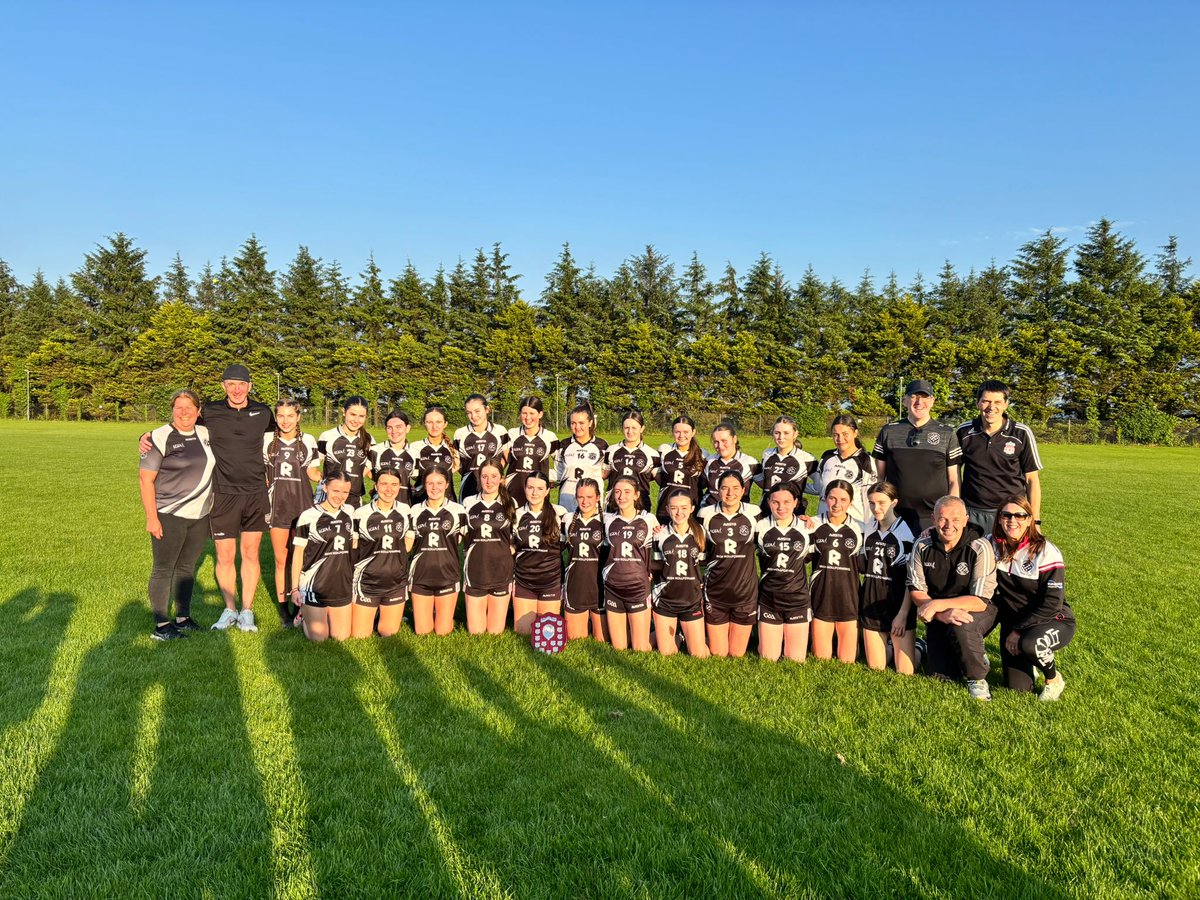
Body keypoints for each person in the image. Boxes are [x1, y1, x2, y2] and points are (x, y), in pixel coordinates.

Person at [141, 364, 277, 633]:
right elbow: (180, 425)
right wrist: (144, 437)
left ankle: (247, 611)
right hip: (223, 493)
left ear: (250, 386)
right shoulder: (211, 412)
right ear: (223, 386)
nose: (237, 389)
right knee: (225, 556)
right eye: (231, 384)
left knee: (250, 554)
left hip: (255, 493)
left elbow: (283, 434)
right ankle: (229, 609)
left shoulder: (263, 412)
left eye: (242, 384)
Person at [138, 389, 216, 640]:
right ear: (172, 410)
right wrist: (152, 517)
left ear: (198, 411)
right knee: (164, 568)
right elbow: (145, 479)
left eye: (189, 407)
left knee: (186, 567)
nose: (184, 412)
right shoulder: (159, 437)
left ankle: (183, 617)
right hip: (169, 513)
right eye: (179, 407)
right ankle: (161, 625)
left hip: (200, 515)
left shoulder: (205, 433)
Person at [909, 495, 998, 701]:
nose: (949, 525)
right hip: (939, 615)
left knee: (961, 625)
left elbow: (979, 600)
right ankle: (928, 646)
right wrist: (941, 614)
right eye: (942, 519)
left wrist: (938, 605)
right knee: (941, 676)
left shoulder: (980, 546)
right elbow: (916, 591)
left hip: (977, 609)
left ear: (966, 520)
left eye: (956, 519)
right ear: (933, 519)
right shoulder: (922, 545)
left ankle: (977, 678)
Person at [992, 496, 1075, 700]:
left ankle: (1053, 680)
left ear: (1029, 519)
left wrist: (1019, 631)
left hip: (1052, 618)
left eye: (1020, 515)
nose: (1013, 520)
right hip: (1015, 622)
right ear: (999, 519)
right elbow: (964, 538)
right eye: (1007, 515)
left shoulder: (1046, 551)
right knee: (1017, 688)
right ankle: (1033, 662)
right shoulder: (991, 544)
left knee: (1031, 644)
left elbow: (1052, 604)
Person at [872, 380, 961, 534]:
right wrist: (881, 509)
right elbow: (879, 477)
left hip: (934, 516)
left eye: (925, 397)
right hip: (896, 515)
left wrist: (950, 514)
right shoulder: (889, 432)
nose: (919, 402)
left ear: (932, 401)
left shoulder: (946, 433)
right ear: (905, 401)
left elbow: (954, 480)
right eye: (914, 396)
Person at [956, 380, 1043, 533]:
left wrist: (1035, 521)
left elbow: (1032, 480)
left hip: (1011, 513)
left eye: (997, 402)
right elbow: (953, 474)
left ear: (1006, 404)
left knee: (1010, 557)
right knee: (976, 556)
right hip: (973, 512)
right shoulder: (964, 432)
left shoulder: (1021, 433)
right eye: (986, 401)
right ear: (977, 403)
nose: (991, 407)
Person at [263, 397, 321, 627]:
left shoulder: (307, 440)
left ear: (298, 417)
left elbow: (312, 472)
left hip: (303, 507)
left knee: (301, 559)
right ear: (275, 418)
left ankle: (299, 604)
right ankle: (283, 609)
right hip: (277, 507)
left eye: (290, 416)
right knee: (280, 560)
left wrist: (328, 481)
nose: (285, 421)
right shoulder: (267, 440)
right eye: (280, 416)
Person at [698, 470, 761, 657]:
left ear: (743, 490)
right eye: (724, 488)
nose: (729, 493)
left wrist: (805, 522)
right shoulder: (705, 514)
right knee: (718, 653)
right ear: (717, 491)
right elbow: (697, 543)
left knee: (736, 654)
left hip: (744, 590)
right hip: (716, 589)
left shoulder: (754, 513)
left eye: (735, 488)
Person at [859, 482, 919, 673]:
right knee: (876, 667)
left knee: (905, 672)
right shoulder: (867, 529)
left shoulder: (906, 534)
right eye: (872, 503)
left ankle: (919, 647)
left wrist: (902, 615)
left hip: (897, 605)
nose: (876, 508)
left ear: (894, 502)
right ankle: (892, 647)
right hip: (872, 603)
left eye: (882, 503)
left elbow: (911, 581)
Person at [291, 472, 356, 642]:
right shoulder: (308, 516)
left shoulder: (350, 512)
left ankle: (319, 614)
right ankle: (305, 613)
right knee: (319, 638)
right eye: (335, 491)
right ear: (325, 487)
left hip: (341, 583)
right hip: (315, 584)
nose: (340, 496)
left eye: (345, 492)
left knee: (341, 637)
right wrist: (294, 589)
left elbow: (354, 547)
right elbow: (298, 554)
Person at [808, 480, 865, 663]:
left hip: (848, 596)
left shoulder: (860, 527)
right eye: (832, 498)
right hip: (821, 595)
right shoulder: (813, 524)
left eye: (843, 499)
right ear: (825, 499)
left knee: (848, 660)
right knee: (821, 657)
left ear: (851, 502)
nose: (837, 504)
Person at [405, 466, 467, 635]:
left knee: (443, 632)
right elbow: (408, 547)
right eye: (430, 483)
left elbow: (462, 541)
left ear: (447, 484)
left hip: (447, 574)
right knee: (422, 632)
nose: (434, 488)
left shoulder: (458, 511)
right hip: (420, 575)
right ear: (424, 485)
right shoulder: (414, 511)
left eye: (439, 483)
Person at [350, 469, 412, 639]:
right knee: (359, 636)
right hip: (367, 581)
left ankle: (380, 614)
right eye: (384, 484)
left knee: (388, 633)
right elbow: (354, 546)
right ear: (376, 486)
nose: (389, 489)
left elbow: (407, 545)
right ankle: (372, 612)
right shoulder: (360, 513)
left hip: (395, 581)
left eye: (394, 485)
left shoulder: (406, 511)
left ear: (400, 487)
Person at [755, 482, 812, 663]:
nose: (781, 507)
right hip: (769, 598)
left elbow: (811, 557)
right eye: (775, 502)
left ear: (796, 502)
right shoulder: (760, 527)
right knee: (768, 658)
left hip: (797, 598)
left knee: (796, 660)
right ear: (768, 502)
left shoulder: (807, 527)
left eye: (787, 502)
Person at [651, 488, 710, 658]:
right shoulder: (660, 534)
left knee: (700, 655)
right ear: (668, 509)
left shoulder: (700, 532)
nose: (679, 512)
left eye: (684, 508)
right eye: (674, 508)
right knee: (667, 653)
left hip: (691, 599)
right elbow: (656, 565)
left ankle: (686, 635)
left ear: (692, 508)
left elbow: (704, 564)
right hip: (666, 599)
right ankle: (677, 636)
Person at [602, 475, 657, 651]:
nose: (621, 496)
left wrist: (651, 573)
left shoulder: (649, 520)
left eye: (627, 492)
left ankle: (670, 635)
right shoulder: (607, 520)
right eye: (617, 492)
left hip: (638, 587)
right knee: (619, 648)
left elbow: (661, 551)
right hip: (613, 587)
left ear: (636, 495)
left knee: (640, 648)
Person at [462, 458, 516, 635]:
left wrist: (509, 551)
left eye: (494, 476)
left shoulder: (510, 503)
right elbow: (461, 535)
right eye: (485, 476)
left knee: (495, 632)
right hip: (476, 569)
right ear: (479, 478)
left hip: (500, 569)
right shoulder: (468, 503)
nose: (489, 481)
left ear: (502, 479)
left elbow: (516, 537)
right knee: (476, 632)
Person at [512, 472, 569, 633]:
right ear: (524, 489)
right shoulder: (517, 514)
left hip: (551, 580)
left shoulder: (560, 513)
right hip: (525, 580)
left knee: (548, 632)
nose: (534, 493)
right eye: (530, 488)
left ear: (547, 491)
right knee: (523, 633)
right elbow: (512, 545)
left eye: (539, 488)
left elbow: (565, 544)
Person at [562, 477, 607, 642]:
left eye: (589, 497)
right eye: (581, 497)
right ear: (575, 497)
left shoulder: (607, 521)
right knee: (575, 640)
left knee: (602, 641)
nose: (585, 501)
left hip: (600, 586)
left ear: (597, 497)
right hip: (576, 584)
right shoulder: (567, 520)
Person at [810, 414, 877, 525]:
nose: (840, 439)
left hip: (852, 524)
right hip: (824, 522)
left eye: (845, 434)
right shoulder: (827, 456)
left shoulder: (865, 460)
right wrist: (796, 484)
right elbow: (820, 488)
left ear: (855, 433)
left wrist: (869, 527)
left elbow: (870, 497)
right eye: (836, 435)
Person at [316, 395, 373, 507]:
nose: (356, 420)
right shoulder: (327, 436)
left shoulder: (369, 440)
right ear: (343, 411)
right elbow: (312, 467)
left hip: (354, 498)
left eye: (361, 416)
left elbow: (366, 468)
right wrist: (326, 480)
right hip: (328, 497)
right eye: (352, 414)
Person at [552, 401, 607, 513]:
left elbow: (605, 473)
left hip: (591, 502)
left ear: (590, 422)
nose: (577, 427)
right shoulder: (564, 444)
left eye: (581, 423)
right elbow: (558, 473)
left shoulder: (602, 445)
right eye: (573, 423)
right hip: (566, 500)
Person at [756, 415, 817, 515]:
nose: (781, 437)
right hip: (766, 510)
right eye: (777, 433)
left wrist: (799, 486)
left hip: (792, 513)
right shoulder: (767, 454)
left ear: (795, 434)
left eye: (786, 433)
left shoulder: (807, 458)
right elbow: (764, 479)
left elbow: (818, 487)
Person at [454, 394, 511, 500]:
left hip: (493, 485)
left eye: (477, 411)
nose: (473, 416)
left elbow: (507, 458)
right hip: (469, 484)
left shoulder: (500, 431)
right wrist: (470, 473)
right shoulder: (460, 433)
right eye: (469, 413)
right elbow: (458, 464)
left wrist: (495, 473)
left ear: (487, 409)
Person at [505, 396, 558, 506]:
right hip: (514, 491)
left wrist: (549, 476)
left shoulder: (550, 437)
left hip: (538, 493)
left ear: (540, 414)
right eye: (524, 413)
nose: (528, 417)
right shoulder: (511, 434)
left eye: (532, 413)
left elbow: (561, 461)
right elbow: (502, 459)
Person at [605, 409, 659, 513]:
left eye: (634, 427)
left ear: (642, 428)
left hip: (640, 504)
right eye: (626, 427)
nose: (630, 431)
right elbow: (603, 475)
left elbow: (662, 480)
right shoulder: (611, 450)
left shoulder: (652, 454)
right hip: (614, 503)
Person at [655, 415, 705, 522]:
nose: (681, 435)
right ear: (672, 432)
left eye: (686, 432)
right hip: (666, 508)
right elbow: (656, 474)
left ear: (693, 432)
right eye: (677, 432)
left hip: (691, 509)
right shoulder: (664, 450)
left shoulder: (703, 454)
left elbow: (704, 482)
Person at [408, 406, 461, 504]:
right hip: (421, 501)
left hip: (448, 500)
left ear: (445, 424)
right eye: (429, 422)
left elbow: (456, 467)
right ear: (424, 423)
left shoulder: (452, 448)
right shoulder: (415, 447)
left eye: (438, 422)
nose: (434, 426)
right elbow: (410, 474)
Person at [700, 421, 758, 507]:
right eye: (716, 442)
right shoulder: (709, 461)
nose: (720, 445)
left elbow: (767, 486)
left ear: (734, 439)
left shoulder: (750, 463)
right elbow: (698, 485)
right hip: (710, 511)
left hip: (738, 515)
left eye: (724, 441)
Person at [369, 410, 416, 506]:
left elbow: (417, 477)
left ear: (407, 428)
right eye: (390, 428)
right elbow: (366, 471)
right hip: (381, 502)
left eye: (399, 427)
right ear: (386, 429)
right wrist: (381, 482)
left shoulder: (415, 452)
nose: (394, 431)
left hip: (406, 502)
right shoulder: (375, 449)